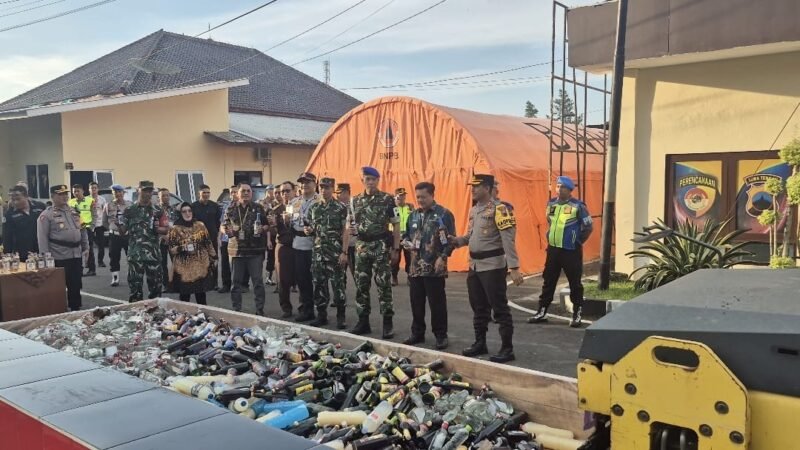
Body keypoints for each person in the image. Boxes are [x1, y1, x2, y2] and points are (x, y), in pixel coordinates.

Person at [449, 174, 523, 364]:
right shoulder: (474, 210)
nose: (472, 190)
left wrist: (514, 267)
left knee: (499, 308)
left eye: (477, 186)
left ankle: (508, 348)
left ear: (488, 188)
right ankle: (480, 343)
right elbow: (472, 236)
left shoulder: (500, 209)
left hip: (492, 266)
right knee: (479, 307)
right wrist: (459, 241)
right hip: (475, 265)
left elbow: (508, 239)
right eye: (472, 187)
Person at [528, 176, 593, 328]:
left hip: (571, 250)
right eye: (557, 186)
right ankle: (541, 311)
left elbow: (588, 227)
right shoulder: (551, 203)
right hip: (553, 250)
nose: (559, 189)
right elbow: (550, 223)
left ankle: (577, 314)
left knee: (574, 283)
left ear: (569, 190)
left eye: (562, 187)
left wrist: (577, 241)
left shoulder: (578, 206)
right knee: (548, 281)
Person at [401, 182, 455, 350]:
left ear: (432, 195)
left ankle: (440, 335)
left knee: (437, 304)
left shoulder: (443, 214)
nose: (420, 200)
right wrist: (406, 243)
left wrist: (443, 257)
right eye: (417, 197)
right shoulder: (413, 216)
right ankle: (417, 333)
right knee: (416, 303)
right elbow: (405, 235)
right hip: (415, 268)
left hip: (434, 268)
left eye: (423, 197)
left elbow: (451, 240)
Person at [350, 167, 401, 339]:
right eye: (367, 178)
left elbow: (396, 225)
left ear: (378, 180)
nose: (370, 182)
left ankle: (388, 324)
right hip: (362, 245)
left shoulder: (387, 199)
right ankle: (363, 321)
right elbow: (351, 223)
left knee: (384, 285)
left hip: (380, 245)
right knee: (361, 285)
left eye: (373, 179)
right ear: (362, 180)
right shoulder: (355, 200)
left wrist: (395, 248)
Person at [305, 177, 349, 329]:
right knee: (319, 285)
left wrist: (344, 252)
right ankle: (322, 315)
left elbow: (345, 231)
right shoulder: (314, 208)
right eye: (322, 187)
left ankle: (341, 316)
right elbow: (311, 229)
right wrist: (308, 230)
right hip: (318, 253)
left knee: (338, 286)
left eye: (327, 187)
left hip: (335, 253)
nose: (324, 190)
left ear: (333, 189)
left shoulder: (341, 208)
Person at [38, 185, 89, 311]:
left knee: (75, 284)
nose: (64, 196)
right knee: (58, 287)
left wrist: (86, 246)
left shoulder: (74, 211)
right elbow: (42, 238)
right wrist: (46, 258)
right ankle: (58, 311)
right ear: (52, 196)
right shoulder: (46, 215)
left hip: (75, 254)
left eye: (66, 194)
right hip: (59, 256)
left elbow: (82, 230)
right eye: (60, 194)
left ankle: (75, 308)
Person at [223, 183, 268, 315]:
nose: (246, 193)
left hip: (255, 251)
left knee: (257, 281)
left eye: (248, 191)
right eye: (243, 191)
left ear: (251, 193)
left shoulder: (258, 207)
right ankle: (236, 309)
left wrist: (262, 229)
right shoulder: (230, 208)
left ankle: (259, 309)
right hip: (236, 251)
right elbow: (223, 225)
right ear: (237, 193)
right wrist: (226, 231)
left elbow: (266, 225)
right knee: (235, 282)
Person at [123, 181, 167, 302]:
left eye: (150, 191)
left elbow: (166, 229)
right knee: (135, 291)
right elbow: (122, 231)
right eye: (145, 190)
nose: (148, 193)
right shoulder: (129, 211)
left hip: (153, 255)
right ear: (138, 190)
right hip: (135, 256)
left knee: (156, 291)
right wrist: (115, 223)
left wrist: (158, 228)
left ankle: (155, 317)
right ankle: (136, 318)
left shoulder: (158, 210)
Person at [168, 202, 216, 304]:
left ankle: (203, 317)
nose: (187, 213)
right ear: (179, 213)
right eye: (184, 211)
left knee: (201, 297)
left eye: (189, 211)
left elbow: (208, 243)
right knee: (185, 298)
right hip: (184, 269)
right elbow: (171, 249)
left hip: (200, 266)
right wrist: (182, 248)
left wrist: (214, 257)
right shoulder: (175, 229)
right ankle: (184, 319)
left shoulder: (200, 225)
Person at [289, 172, 321, 323]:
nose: (304, 185)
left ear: (314, 184)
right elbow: (289, 223)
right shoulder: (294, 202)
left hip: (315, 245)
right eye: (302, 182)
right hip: (298, 244)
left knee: (317, 280)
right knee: (302, 279)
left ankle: (320, 311)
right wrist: (285, 220)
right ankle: (305, 309)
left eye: (308, 182)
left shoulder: (320, 201)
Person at [270, 181, 296, 318]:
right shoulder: (276, 211)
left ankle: (306, 308)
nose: (285, 194)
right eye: (282, 191)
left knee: (303, 278)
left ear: (294, 191)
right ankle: (286, 308)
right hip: (284, 246)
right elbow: (273, 232)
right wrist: (273, 226)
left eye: (287, 190)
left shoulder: (301, 207)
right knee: (283, 280)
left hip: (300, 246)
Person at [3, 185, 46, 260]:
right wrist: (8, 255)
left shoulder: (40, 207)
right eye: (13, 200)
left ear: (26, 196)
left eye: (18, 199)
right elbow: (7, 237)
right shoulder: (9, 214)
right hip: (22, 252)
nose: (15, 202)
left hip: (41, 248)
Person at [191, 184, 221, 289]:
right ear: (199, 193)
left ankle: (214, 283)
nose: (206, 194)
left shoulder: (215, 206)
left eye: (208, 192)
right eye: (204, 192)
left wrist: (217, 234)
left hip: (212, 238)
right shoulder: (193, 206)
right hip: (198, 238)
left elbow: (218, 222)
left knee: (213, 260)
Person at [103, 184, 131, 287]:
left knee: (131, 256)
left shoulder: (129, 205)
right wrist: (111, 228)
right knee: (114, 257)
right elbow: (104, 221)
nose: (118, 194)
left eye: (120, 192)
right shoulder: (108, 205)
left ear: (123, 193)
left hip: (127, 235)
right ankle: (115, 278)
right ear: (113, 193)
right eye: (115, 192)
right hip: (114, 235)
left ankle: (131, 276)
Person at [68, 184, 96, 276]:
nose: (76, 193)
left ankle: (92, 269)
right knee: (77, 249)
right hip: (75, 229)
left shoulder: (90, 201)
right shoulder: (70, 202)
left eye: (77, 191)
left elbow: (94, 214)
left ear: (83, 191)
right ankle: (79, 269)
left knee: (89, 249)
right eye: (74, 191)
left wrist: (92, 226)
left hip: (87, 228)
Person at [391, 188, 414, 286]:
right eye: (400, 196)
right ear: (395, 197)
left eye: (404, 195)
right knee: (395, 259)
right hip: (395, 236)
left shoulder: (410, 207)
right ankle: (394, 277)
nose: (402, 197)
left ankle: (409, 277)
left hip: (407, 237)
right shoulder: (392, 208)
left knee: (409, 258)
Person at [157, 188, 178, 292]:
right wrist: (164, 236)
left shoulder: (174, 209)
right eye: (163, 195)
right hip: (161, 240)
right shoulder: (155, 209)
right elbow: (153, 225)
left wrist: (171, 236)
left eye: (167, 195)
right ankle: (165, 285)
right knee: (162, 263)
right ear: (159, 197)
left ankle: (176, 284)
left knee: (176, 262)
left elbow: (177, 224)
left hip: (173, 239)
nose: (165, 197)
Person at [218, 185, 238, 293]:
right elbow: (221, 223)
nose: (233, 194)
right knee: (225, 263)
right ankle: (226, 284)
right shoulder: (226, 207)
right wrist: (221, 236)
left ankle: (239, 285)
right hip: (226, 239)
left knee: (237, 264)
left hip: (239, 240)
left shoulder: (243, 206)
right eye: (232, 193)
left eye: (235, 192)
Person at [336, 183, 357, 280]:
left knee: (357, 274)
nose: (340, 196)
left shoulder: (355, 205)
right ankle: (341, 294)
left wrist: (357, 229)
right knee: (340, 275)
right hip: (339, 245)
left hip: (353, 244)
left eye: (343, 193)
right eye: (338, 193)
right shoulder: (335, 207)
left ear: (348, 193)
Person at [89, 182, 107, 268]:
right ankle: (89, 262)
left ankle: (100, 261)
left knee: (101, 244)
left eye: (95, 188)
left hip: (100, 224)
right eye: (92, 188)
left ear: (98, 189)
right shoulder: (86, 199)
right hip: (89, 225)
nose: (93, 190)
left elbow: (105, 212)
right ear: (89, 189)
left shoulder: (102, 199)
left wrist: (105, 223)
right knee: (89, 245)